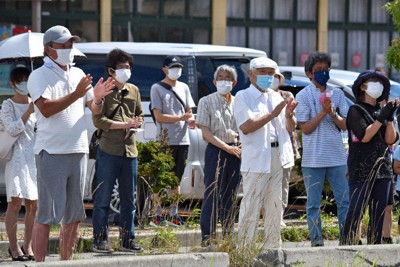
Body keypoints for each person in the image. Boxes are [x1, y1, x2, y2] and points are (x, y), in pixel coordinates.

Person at [27, 25, 114, 261]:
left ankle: (67, 262)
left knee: (74, 214)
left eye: (71, 44)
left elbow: (92, 108)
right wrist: (76, 95)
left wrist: (97, 99)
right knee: (46, 214)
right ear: (49, 49)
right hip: (50, 151)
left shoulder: (77, 74)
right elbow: (44, 109)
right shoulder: (38, 75)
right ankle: (40, 263)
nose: (69, 49)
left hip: (77, 149)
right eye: (63, 45)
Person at [233, 57, 297, 249]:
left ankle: (273, 248)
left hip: (279, 155)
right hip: (257, 156)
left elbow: (291, 127)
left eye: (271, 73)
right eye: (263, 72)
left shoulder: (277, 97)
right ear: (251, 74)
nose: (268, 77)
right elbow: (246, 126)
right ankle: (245, 248)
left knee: (275, 205)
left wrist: (287, 114)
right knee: (251, 204)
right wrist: (273, 114)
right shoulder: (243, 96)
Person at [92, 48, 143, 253]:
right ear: (110, 71)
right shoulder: (104, 90)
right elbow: (98, 120)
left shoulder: (134, 90)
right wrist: (122, 125)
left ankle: (127, 240)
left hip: (130, 151)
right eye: (121, 68)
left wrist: (135, 123)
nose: (125, 71)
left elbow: (139, 115)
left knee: (129, 200)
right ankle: (99, 240)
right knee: (103, 199)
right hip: (108, 150)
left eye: (128, 67)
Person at [295, 52, 349, 247]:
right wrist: (322, 113)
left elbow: (344, 125)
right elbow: (305, 129)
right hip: (313, 160)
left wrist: (332, 113)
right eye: (318, 70)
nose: (323, 73)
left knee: (344, 201)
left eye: (325, 70)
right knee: (313, 205)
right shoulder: (303, 95)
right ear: (309, 73)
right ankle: (317, 241)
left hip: (337, 157)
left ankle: (346, 239)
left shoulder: (338, 93)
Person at [340, 70, 398, 245]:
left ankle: (375, 249)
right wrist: (381, 117)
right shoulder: (355, 110)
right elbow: (365, 136)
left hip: (383, 168)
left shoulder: (381, 110)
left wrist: (390, 118)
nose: (377, 86)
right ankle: (347, 246)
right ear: (363, 87)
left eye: (380, 82)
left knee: (379, 212)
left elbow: (390, 139)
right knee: (356, 209)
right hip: (361, 168)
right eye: (373, 81)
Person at [196, 65, 242, 247]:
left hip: (236, 151)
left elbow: (244, 129)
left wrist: (239, 146)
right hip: (216, 150)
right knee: (212, 194)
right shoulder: (205, 101)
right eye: (221, 77)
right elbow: (205, 133)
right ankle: (208, 237)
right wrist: (227, 148)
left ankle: (228, 236)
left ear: (234, 82)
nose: (224, 81)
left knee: (230, 195)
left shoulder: (239, 102)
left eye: (228, 78)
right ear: (215, 82)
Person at [150, 55, 196, 226]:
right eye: (172, 67)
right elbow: (158, 116)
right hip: (165, 140)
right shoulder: (157, 88)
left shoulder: (184, 87)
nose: (176, 70)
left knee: (176, 180)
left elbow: (189, 111)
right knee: (160, 178)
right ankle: (156, 214)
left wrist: (189, 120)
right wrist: (181, 118)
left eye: (178, 67)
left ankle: (173, 214)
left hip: (183, 140)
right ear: (165, 69)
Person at [0, 66, 37, 261]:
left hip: (33, 158)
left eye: (27, 80)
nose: (24, 85)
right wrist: (28, 112)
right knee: (15, 201)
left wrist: (34, 109)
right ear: (13, 84)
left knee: (33, 203)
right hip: (16, 156)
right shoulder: (8, 105)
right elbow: (13, 129)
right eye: (20, 81)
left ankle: (28, 245)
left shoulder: (37, 103)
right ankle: (14, 248)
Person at [270, 67, 301, 227]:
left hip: (285, 146)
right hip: (265, 147)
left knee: (283, 183)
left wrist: (288, 114)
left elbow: (292, 126)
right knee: (266, 183)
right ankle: (267, 217)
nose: (273, 79)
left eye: (276, 76)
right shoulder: (260, 97)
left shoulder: (287, 96)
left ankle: (279, 217)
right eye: (270, 76)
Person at [375, 66, 395, 244]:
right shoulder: (366, 107)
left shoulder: (389, 107)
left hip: (387, 159)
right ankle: (356, 239)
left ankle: (387, 237)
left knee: (388, 204)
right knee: (365, 205)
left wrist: (390, 116)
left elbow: (393, 139)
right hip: (367, 161)